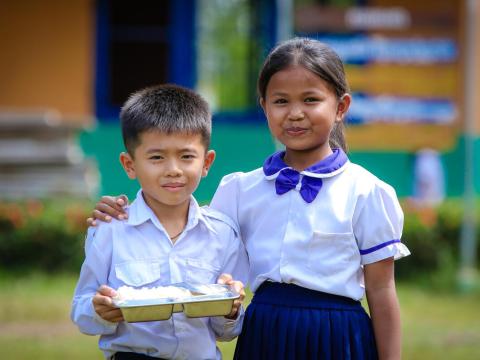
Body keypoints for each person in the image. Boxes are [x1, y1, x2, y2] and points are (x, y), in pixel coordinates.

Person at [89, 38, 410, 360]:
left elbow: (381, 292)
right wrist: (125, 210)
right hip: (264, 334)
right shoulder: (240, 189)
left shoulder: (366, 191)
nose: (295, 114)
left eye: (311, 100)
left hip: (336, 336)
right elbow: (188, 230)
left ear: (340, 107)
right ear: (264, 106)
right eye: (281, 101)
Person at [72, 84, 249, 360]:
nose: (173, 170)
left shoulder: (222, 233)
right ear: (130, 165)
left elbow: (226, 331)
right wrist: (98, 310)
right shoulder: (110, 230)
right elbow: (81, 311)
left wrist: (232, 308)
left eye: (187, 156)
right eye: (156, 157)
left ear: (206, 162)